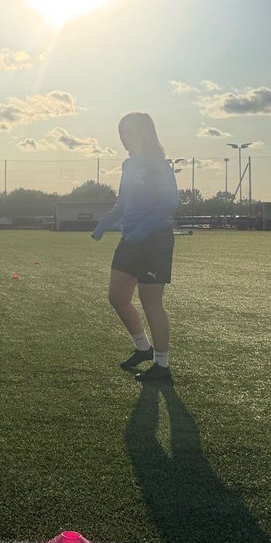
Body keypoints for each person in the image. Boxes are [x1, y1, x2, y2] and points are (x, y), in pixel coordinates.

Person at [91, 112, 180, 382]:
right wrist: (107, 221)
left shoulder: (160, 166)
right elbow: (124, 203)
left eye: (127, 130)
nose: (122, 136)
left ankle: (162, 365)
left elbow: (169, 204)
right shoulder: (128, 166)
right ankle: (143, 348)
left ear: (143, 132)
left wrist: (143, 230)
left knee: (151, 303)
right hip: (130, 241)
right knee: (117, 297)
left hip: (155, 241)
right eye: (120, 131)